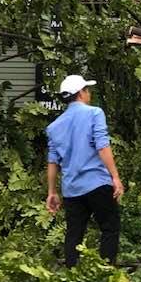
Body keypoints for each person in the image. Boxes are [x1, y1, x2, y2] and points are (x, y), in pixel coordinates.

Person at [46, 75, 124, 267]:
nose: (89, 94)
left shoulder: (54, 127)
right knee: (109, 228)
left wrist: (52, 192)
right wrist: (115, 177)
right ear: (81, 93)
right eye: (87, 90)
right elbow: (103, 146)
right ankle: (105, 275)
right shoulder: (94, 113)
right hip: (97, 182)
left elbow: (52, 162)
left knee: (74, 234)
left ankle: (73, 279)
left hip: (72, 188)